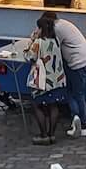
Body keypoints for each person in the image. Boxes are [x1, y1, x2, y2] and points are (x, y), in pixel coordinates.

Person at [48, 12, 86, 136]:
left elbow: (52, 47)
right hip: (84, 59)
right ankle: (76, 118)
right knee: (71, 91)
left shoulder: (57, 29)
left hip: (78, 63)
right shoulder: (63, 23)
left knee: (77, 93)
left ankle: (83, 125)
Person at [23, 17, 67, 145]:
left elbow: (29, 57)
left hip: (43, 81)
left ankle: (43, 135)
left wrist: (31, 40)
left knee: (37, 105)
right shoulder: (56, 40)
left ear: (41, 29)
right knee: (54, 105)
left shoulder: (38, 42)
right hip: (57, 78)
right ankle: (52, 134)